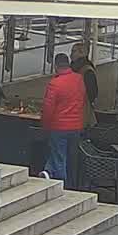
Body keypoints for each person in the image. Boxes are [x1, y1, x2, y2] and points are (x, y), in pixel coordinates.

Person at [41, 52, 87, 187]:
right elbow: (83, 100)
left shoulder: (55, 83)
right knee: (70, 158)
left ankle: (62, 186)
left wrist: (45, 126)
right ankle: (48, 172)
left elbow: (48, 109)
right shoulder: (79, 79)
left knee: (59, 157)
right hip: (76, 126)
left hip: (59, 127)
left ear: (56, 66)